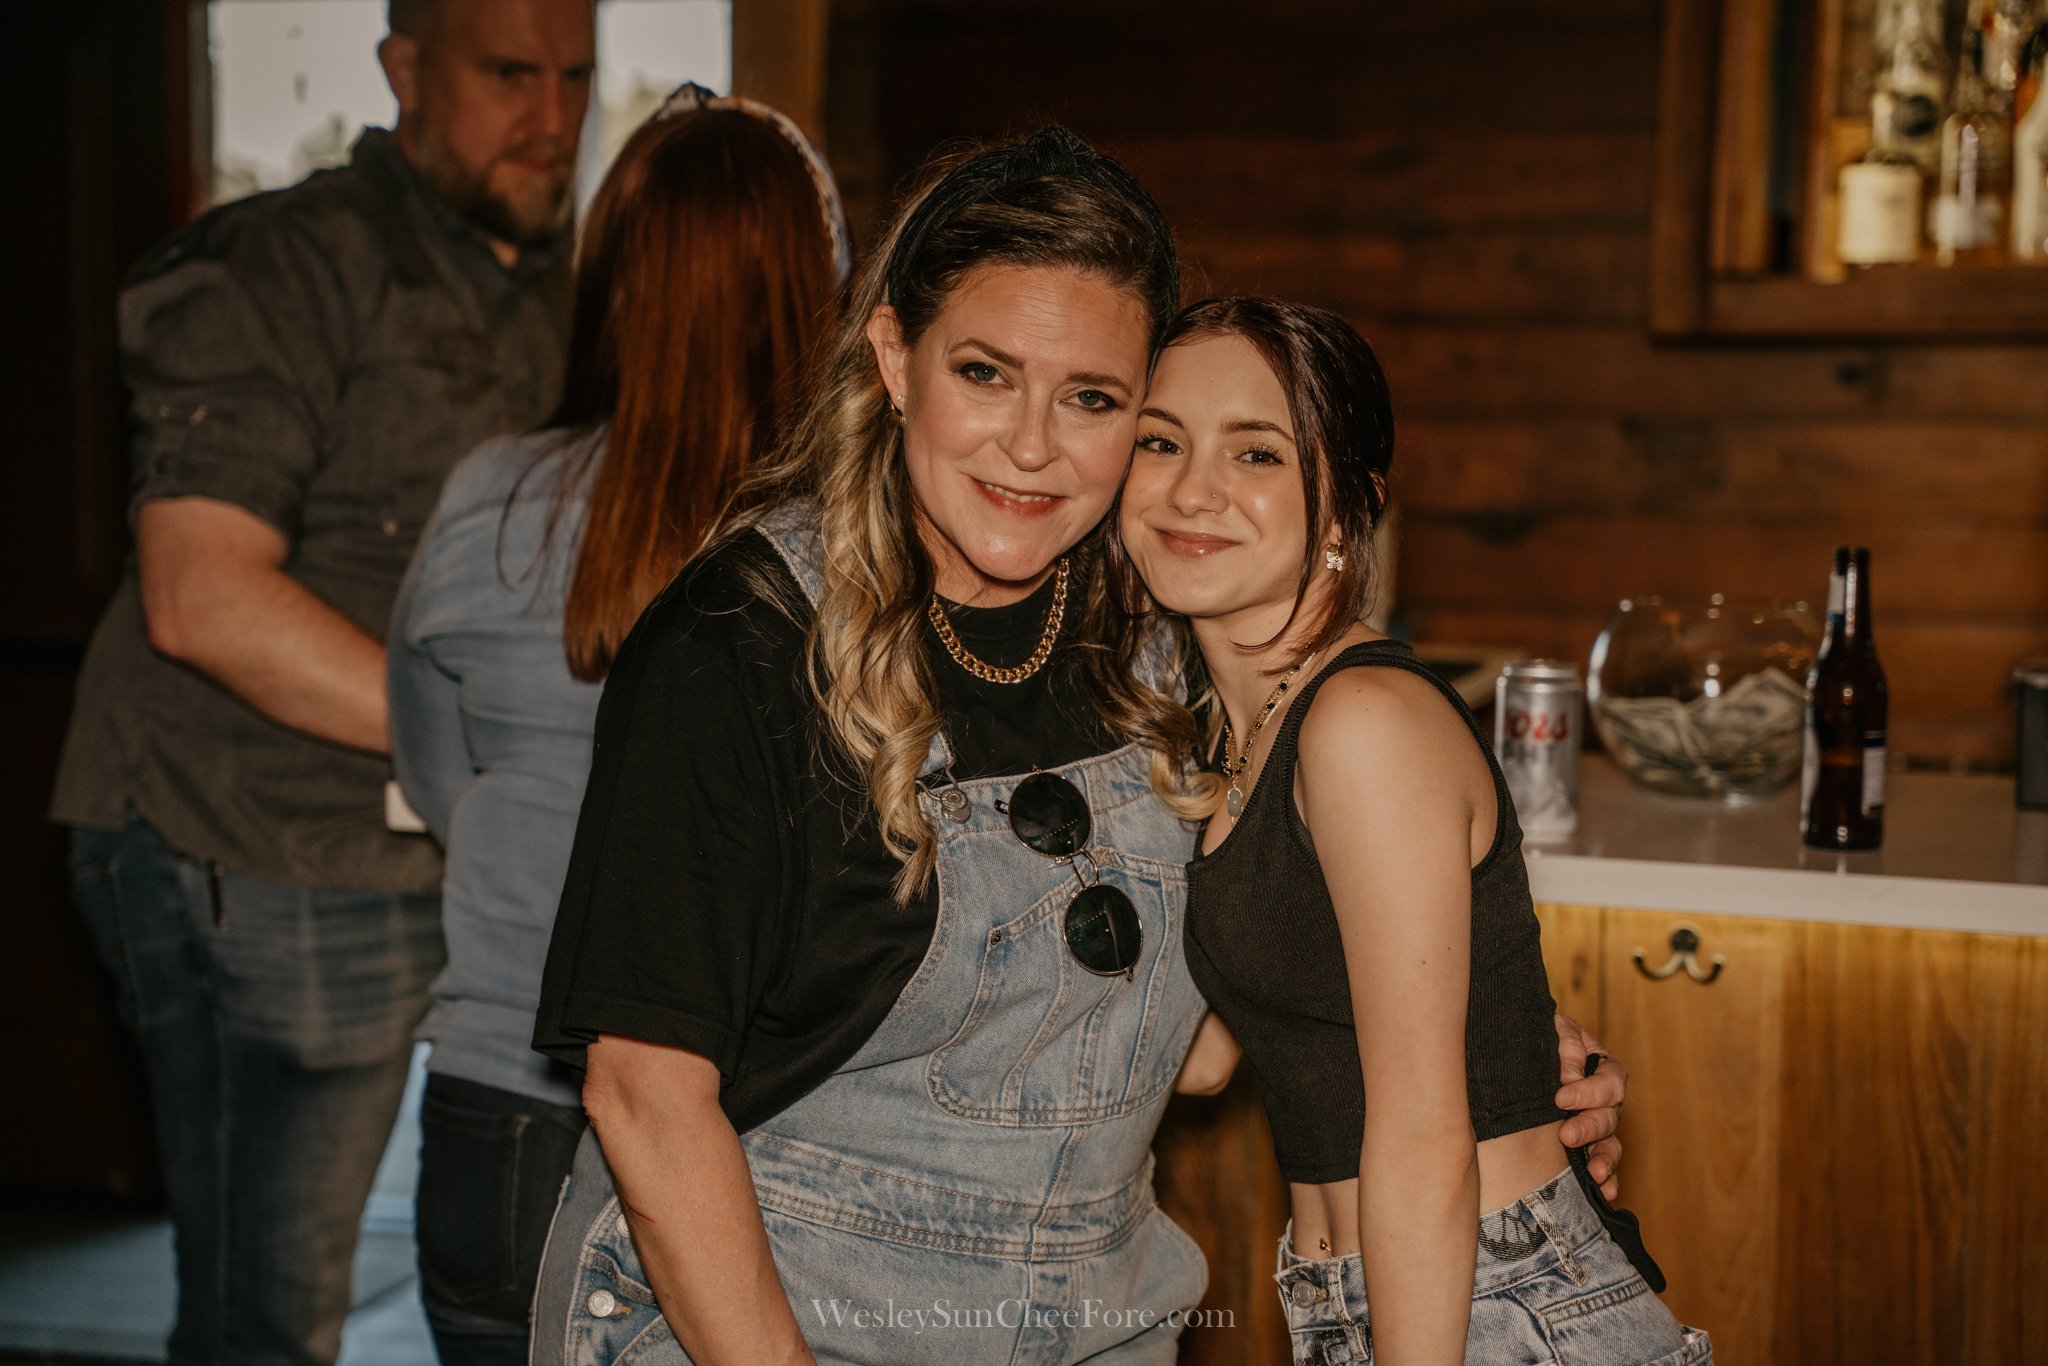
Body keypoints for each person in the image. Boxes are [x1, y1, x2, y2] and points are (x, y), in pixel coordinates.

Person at [527, 127, 1627, 1366]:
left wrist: (1497, 1055)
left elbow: (1223, 1013)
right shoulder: (737, 641)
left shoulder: (1160, 638)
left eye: (1095, 400)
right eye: (985, 373)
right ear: (894, 359)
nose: (1034, 444)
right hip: (773, 1314)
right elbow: (641, 1088)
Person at [48, 1, 595, 1362]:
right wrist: (497, 757)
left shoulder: (565, 283)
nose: (554, 114)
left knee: (502, 1265)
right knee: (272, 1310)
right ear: (405, 71)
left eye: (577, 77)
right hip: (248, 827)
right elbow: (200, 593)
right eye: (510, 74)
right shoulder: (280, 262)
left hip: (451, 844)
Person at [1115, 297, 1711, 1365]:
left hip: (1486, 1299)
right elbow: (1203, 1057)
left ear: (1344, 506)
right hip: (1379, 1295)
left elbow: (1425, 1134)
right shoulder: (1231, 736)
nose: (1190, 489)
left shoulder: (1360, 723)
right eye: (1159, 441)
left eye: (1254, 453)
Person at [387, 84, 848, 1366]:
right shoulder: (850, 551)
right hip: (742, 1136)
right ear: (825, 290)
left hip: (496, 1110)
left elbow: (435, 778)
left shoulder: (488, 500)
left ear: (609, 280)